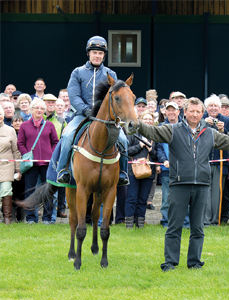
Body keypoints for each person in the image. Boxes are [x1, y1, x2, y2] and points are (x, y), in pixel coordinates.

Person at [134, 97, 229, 271]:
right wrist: (136, 124)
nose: (195, 114)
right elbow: (151, 132)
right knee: (174, 226)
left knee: (198, 228)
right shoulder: (172, 130)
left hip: (202, 185)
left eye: (198, 111)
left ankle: (194, 262)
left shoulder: (210, 133)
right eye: (191, 111)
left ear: (202, 113)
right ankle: (170, 262)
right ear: (185, 112)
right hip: (179, 184)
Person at [56, 36, 129, 186]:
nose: (97, 56)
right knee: (68, 135)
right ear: (88, 53)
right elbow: (74, 94)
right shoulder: (77, 72)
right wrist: (85, 110)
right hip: (82, 115)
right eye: (94, 52)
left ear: (104, 55)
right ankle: (63, 170)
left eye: (100, 53)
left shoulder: (111, 74)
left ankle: (122, 173)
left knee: (123, 140)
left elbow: (115, 98)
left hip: (106, 118)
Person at [17, 98, 59, 224]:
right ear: (31, 110)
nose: (39, 110)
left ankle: (47, 218)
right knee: (30, 190)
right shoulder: (24, 125)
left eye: (42, 108)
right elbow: (20, 143)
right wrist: (27, 155)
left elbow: (55, 142)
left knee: (48, 191)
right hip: (31, 164)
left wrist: (51, 155)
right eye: (37, 108)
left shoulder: (49, 125)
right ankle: (31, 218)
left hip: (47, 163)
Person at [202, 94, 229, 226]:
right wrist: (203, 125)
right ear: (206, 108)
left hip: (221, 163)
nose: (213, 108)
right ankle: (204, 220)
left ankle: (216, 220)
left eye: (216, 106)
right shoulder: (200, 119)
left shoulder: (226, 120)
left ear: (220, 108)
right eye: (211, 106)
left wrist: (222, 130)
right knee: (204, 192)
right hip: (204, 161)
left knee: (217, 192)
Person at [125, 111, 158, 229]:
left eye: (150, 119)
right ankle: (129, 224)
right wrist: (139, 146)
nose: (148, 121)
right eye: (146, 119)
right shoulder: (133, 133)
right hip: (133, 171)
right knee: (132, 197)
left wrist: (151, 150)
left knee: (143, 199)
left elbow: (158, 155)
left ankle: (140, 224)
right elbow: (126, 151)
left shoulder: (155, 135)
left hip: (149, 172)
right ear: (141, 120)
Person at [156, 101, 182, 227]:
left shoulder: (185, 126)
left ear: (178, 111)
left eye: (174, 110)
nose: (171, 112)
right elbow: (159, 147)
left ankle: (185, 222)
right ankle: (166, 222)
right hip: (166, 169)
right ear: (165, 112)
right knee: (166, 199)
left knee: (183, 198)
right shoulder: (161, 127)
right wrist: (163, 160)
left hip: (183, 169)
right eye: (169, 110)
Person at [0, 105, 21, 224]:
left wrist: (18, 169)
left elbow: (16, 151)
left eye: (0, 114)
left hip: (7, 166)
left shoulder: (10, 130)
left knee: (6, 190)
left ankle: (7, 217)